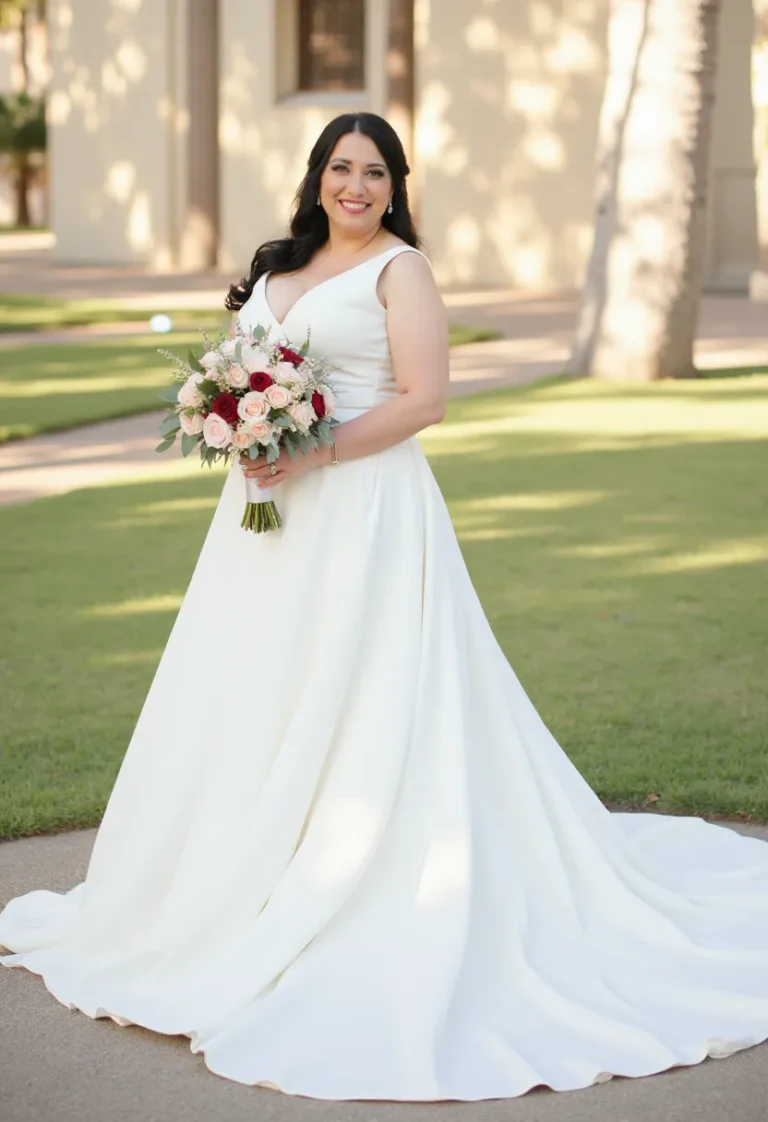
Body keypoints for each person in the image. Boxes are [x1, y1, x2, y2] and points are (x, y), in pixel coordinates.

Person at [1, 112, 767, 1103]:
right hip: (261, 522)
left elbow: (424, 399)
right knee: (255, 688)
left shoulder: (402, 271)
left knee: (363, 690)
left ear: (396, 185)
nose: (355, 187)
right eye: (340, 168)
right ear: (316, 176)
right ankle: (241, 872)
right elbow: (246, 371)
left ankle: (359, 872)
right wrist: (236, 421)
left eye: (374, 173)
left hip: (363, 511)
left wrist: (307, 449)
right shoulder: (280, 265)